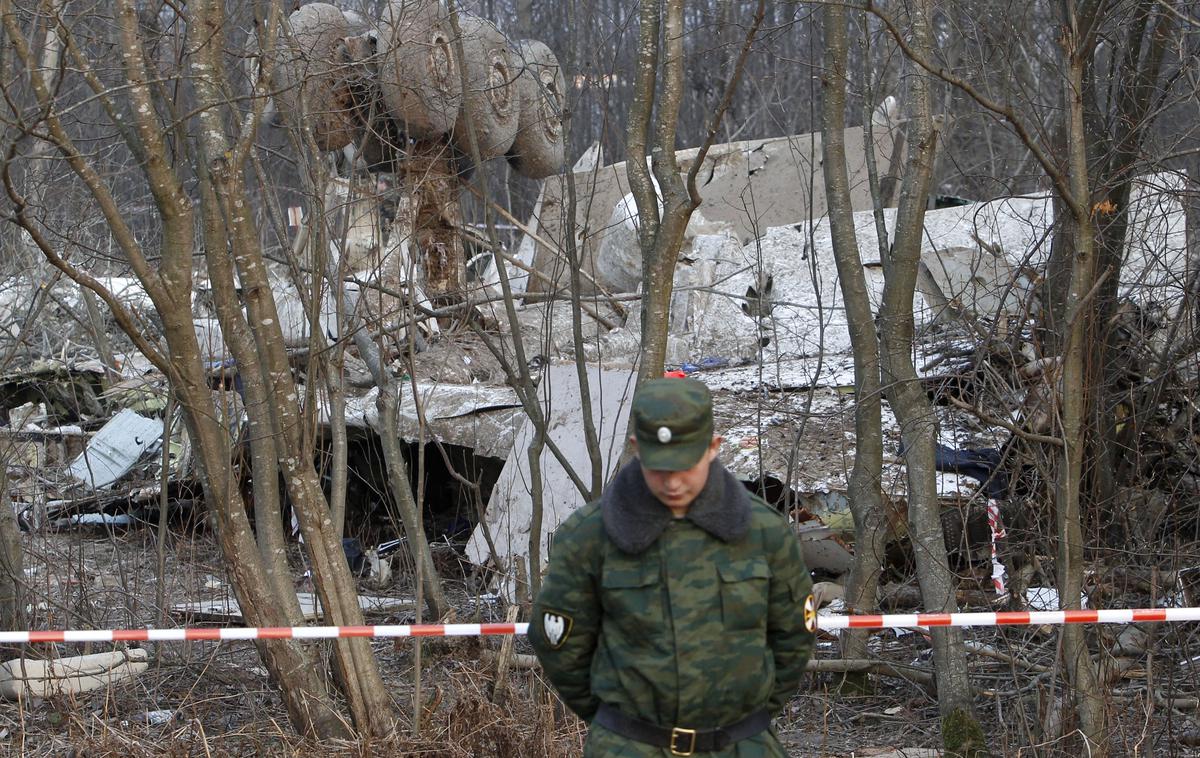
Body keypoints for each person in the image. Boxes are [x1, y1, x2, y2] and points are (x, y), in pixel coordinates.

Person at [531, 377, 815, 757]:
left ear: (713, 447)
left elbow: (794, 637)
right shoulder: (590, 536)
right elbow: (560, 646)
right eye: (659, 467)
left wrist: (744, 719)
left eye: (685, 465)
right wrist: (619, 726)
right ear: (637, 449)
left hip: (741, 745)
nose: (673, 482)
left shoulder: (763, 533)